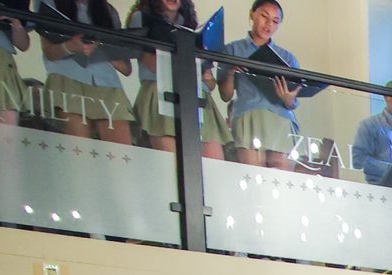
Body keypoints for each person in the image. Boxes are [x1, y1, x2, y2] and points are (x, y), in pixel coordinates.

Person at [127, 0, 228, 158]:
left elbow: (211, 83)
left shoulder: (191, 25)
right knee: (173, 162)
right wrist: (190, 63)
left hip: (197, 96)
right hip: (161, 92)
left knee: (214, 163)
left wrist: (206, 76)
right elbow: (151, 63)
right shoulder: (142, 17)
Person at [38, 0, 136, 145]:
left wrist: (103, 47)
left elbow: (126, 68)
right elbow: (49, 52)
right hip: (68, 79)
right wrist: (71, 46)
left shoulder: (108, 11)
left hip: (108, 85)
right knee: (79, 152)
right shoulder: (50, 3)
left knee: (121, 154)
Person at [218, 0, 299, 171]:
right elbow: (225, 95)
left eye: (275, 21)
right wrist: (232, 72)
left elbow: (292, 102)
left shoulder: (287, 57)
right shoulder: (233, 49)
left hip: (280, 118)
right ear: (252, 14)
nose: (269, 24)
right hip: (248, 114)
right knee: (252, 176)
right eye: (264, 16)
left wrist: (288, 99)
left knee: (281, 180)